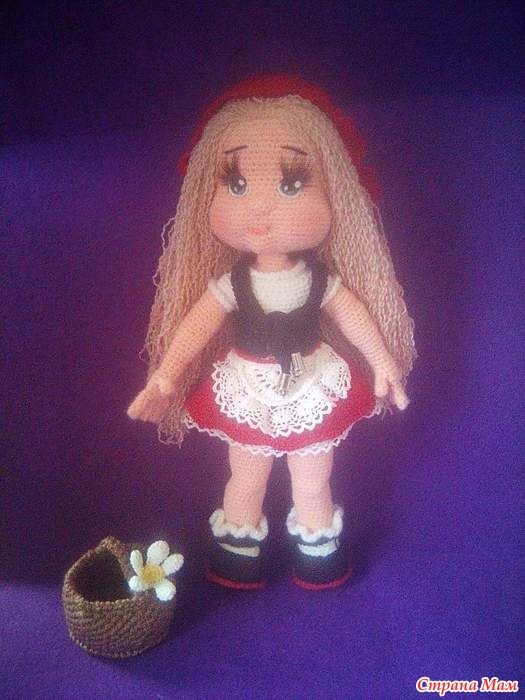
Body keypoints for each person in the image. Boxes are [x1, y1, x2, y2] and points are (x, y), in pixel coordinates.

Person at [127, 75, 417, 590]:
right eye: (236, 185)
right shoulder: (232, 283)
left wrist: (382, 360)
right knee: (246, 474)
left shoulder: (320, 281)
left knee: (314, 478)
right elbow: (197, 325)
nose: (260, 208)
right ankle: (237, 550)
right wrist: (165, 376)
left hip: (312, 384)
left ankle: (317, 548)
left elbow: (353, 315)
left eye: (290, 184)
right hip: (249, 386)